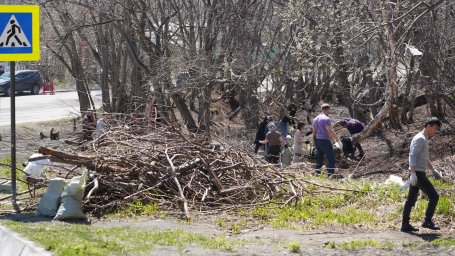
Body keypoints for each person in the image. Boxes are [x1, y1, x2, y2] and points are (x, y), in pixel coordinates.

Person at [401, 117, 443, 232]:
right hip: (418, 174)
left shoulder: (423, 138)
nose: (436, 131)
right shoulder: (420, 138)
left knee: (410, 200)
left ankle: (405, 225)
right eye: (435, 128)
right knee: (434, 196)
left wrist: (433, 170)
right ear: (428, 125)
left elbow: (424, 158)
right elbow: (412, 155)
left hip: (417, 172)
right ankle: (427, 221)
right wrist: (413, 174)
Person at [312, 103, 341, 176]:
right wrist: (338, 140)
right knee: (331, 158)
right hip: (324, 140)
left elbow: (314, 132)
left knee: (319, 157)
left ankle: (317, 173)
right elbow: (330, 131)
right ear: (328, 109)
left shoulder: (315, 119)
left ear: (322, 109)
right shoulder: (326, 119)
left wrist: (314, 141)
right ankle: (330, 175)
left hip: (318, 140)